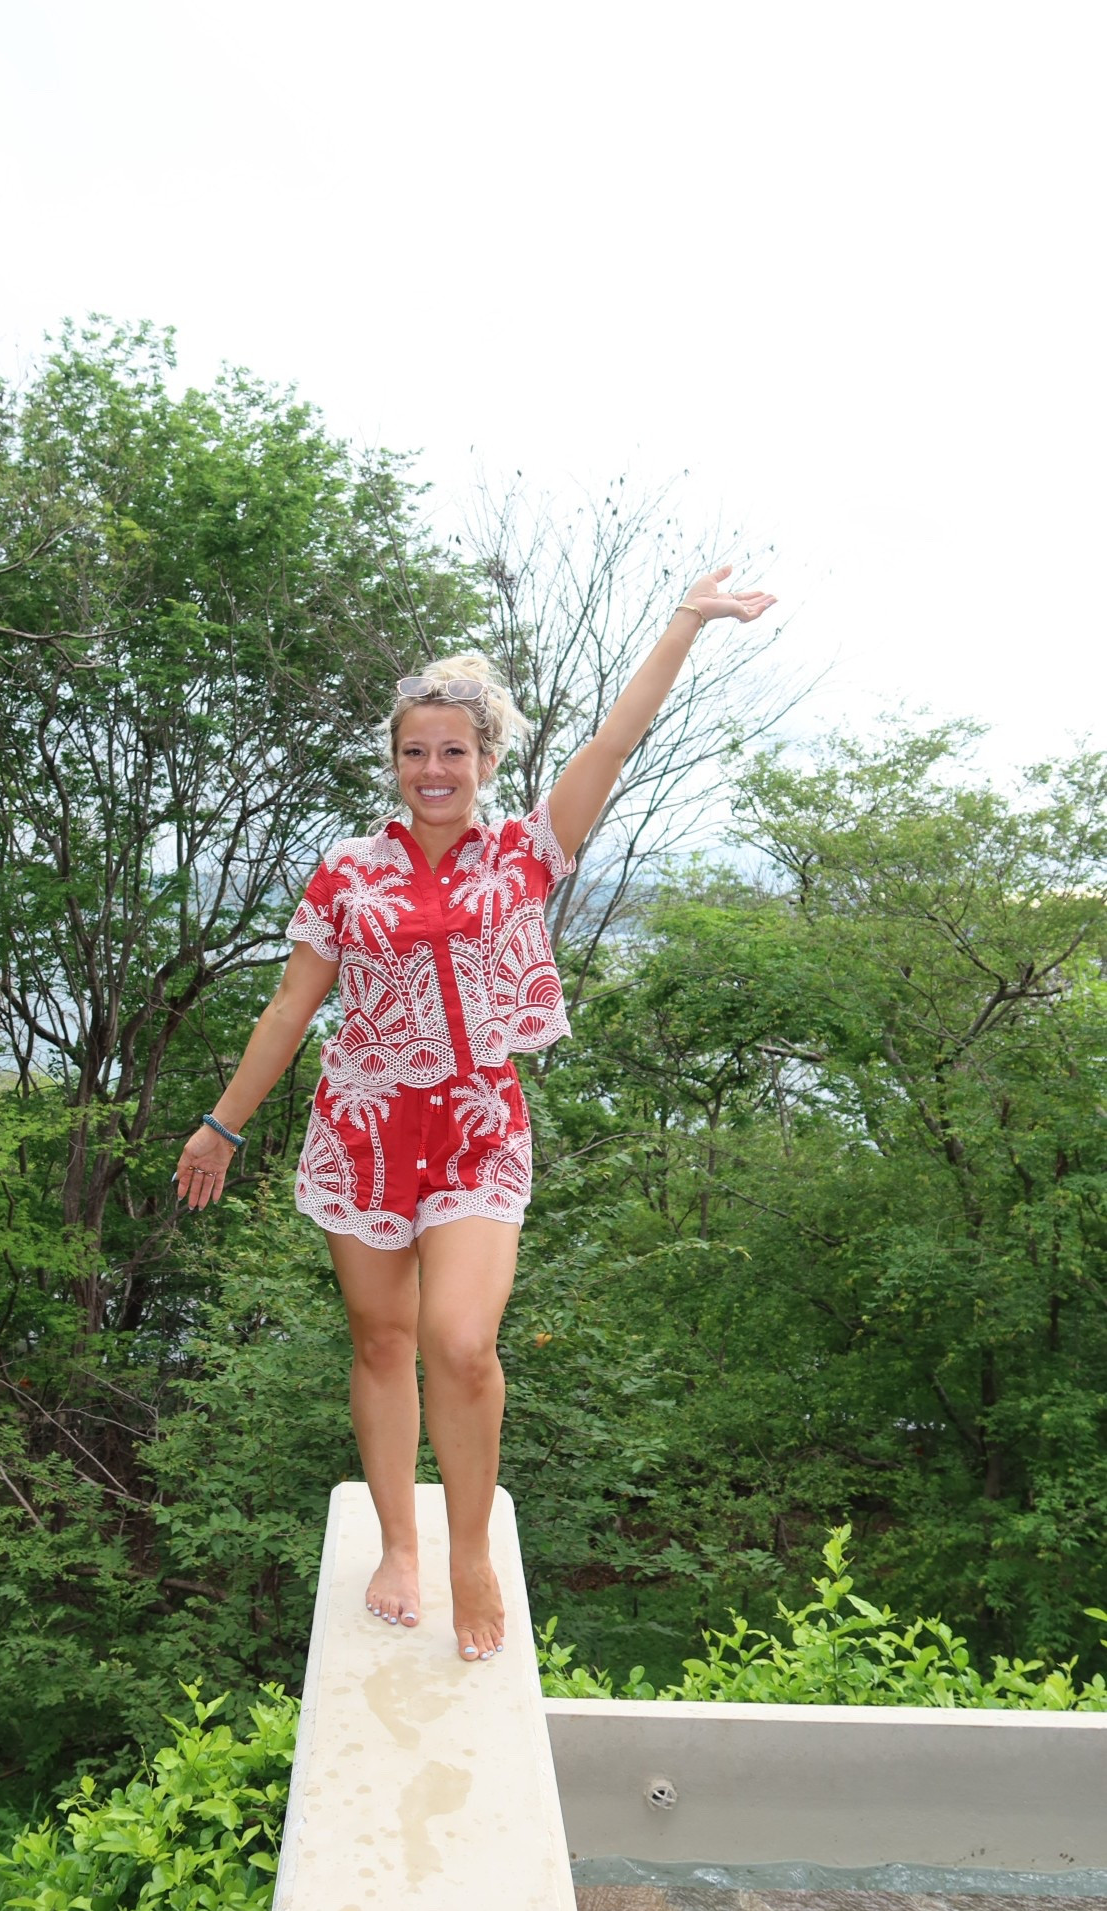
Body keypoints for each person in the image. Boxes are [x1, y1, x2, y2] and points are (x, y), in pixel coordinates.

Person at [175, 565, 776, 1663]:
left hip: (474, 1124)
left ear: (487, 759)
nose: (434, 767)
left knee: (458, 1339)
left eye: (455, 749)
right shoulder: (345, 872)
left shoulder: (525, 852)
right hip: (359, 1130)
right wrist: (222, 1122)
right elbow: (289, 1004)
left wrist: (685, 621)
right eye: (415, 750)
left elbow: (615, 739)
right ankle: (398, 1544)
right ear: (394, 761)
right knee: (382, 1339)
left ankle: (467, 1552)